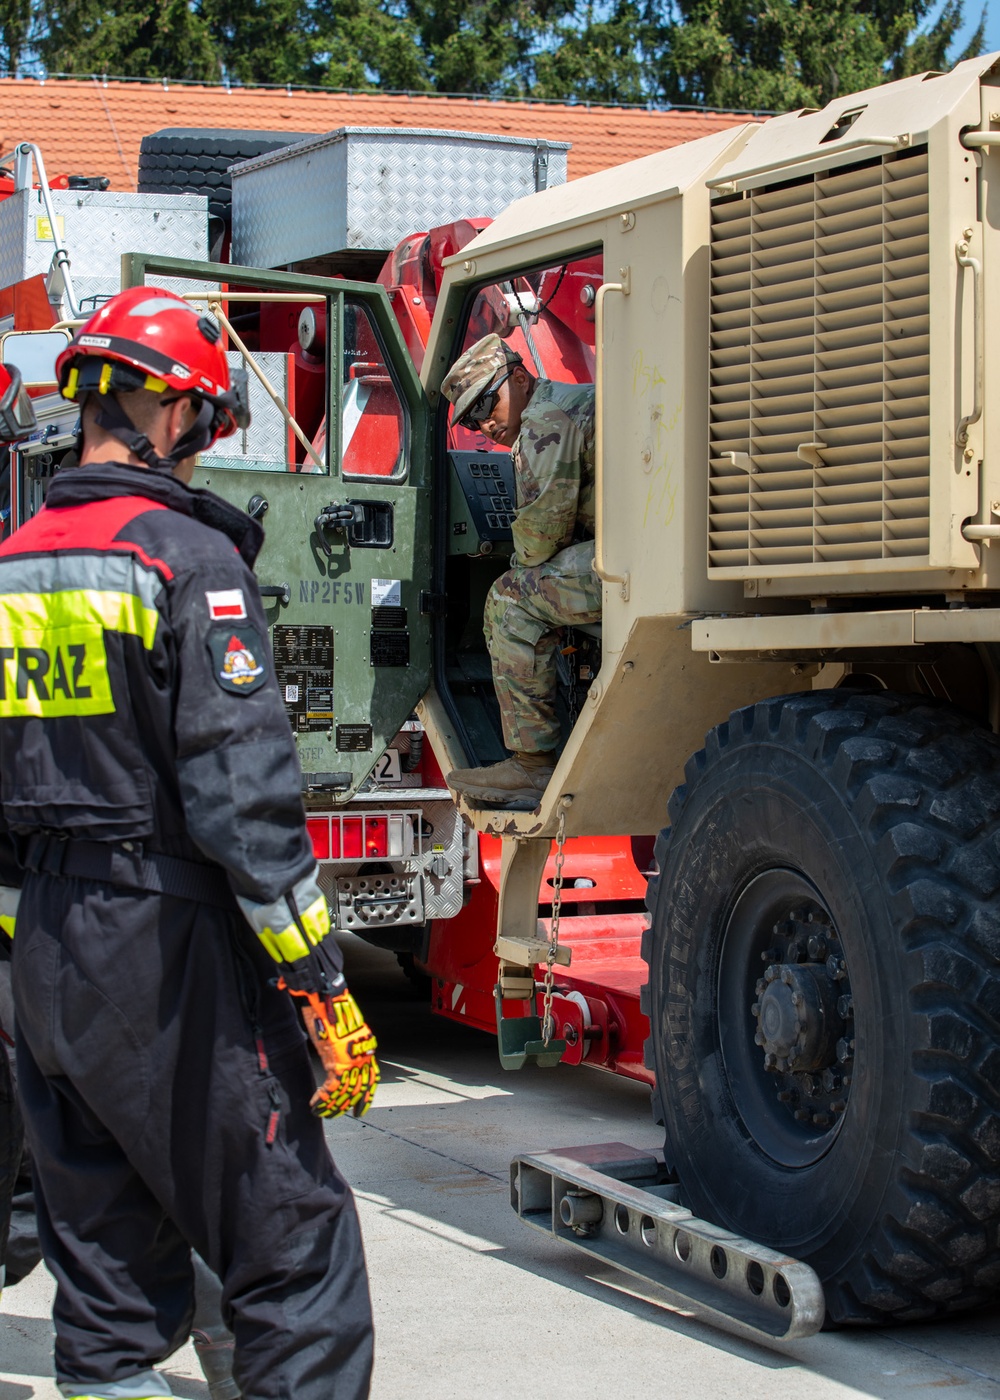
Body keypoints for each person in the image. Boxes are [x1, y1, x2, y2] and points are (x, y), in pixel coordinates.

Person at [0, 287, 378, 1400]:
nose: (202, 449)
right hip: (169, 956)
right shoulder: (187, 561)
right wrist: (315, 978)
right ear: (169, 413)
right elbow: (242, 801)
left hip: (46, 969)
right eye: (205, 424)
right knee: (296, 1253)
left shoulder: (12, 564)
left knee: (109, 1285)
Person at [441, 333, 599, 807]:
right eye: (472, 417)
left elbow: (540, 537)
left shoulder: (545, 419)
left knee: (509, 599)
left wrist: (520, 562)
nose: (485, 422)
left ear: (519, 376)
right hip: (645, 548)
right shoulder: (572, 400)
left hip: (631, 560)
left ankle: (532, 766)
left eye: (488, 402)